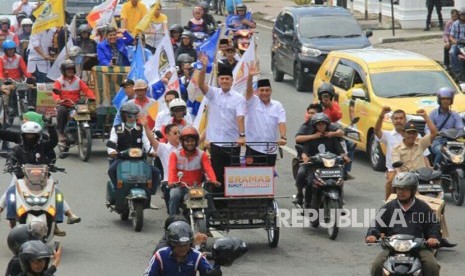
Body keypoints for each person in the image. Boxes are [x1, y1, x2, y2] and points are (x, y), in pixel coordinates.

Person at [3, 121, 81, 235]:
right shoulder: (17, 149)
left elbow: (54, 141)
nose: (30, 138)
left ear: (38, 136)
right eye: (27, 135)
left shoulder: (43, 146)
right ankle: (12, 220)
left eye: (33, 135)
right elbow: (11, 158)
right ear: (23, 136)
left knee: (57, 193)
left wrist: (50, 126)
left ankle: (59, 221)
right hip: (22, 179)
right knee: (10, 193)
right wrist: (10, 165)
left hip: (42, 179)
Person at [366, 172, 441, 276]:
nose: (401, 192)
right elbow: (376, 224)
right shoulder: (389, 207)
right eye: (399, 189)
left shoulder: (423, 207)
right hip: (392, 248)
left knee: (432, 266)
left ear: (413, 190)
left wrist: (433, 237)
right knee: (376, 265)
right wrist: (372, 235)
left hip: (417, 248)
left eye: (405, 189)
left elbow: (433, 225)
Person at [197, 52, 246, 186]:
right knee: (216, 176)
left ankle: (231, 203)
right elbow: (201, 84)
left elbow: (240, 117)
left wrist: (242, 136)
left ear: (232, 80)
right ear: (219, 80)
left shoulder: (238, 98)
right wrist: (203, 68)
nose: (224, 81)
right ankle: (218, 205)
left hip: (232, 144)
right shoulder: (213, 93)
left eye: (227, 79)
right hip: (216, 144)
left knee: (232, 177)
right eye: (222, 78)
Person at [375, 107, 431, 200]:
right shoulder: (388, 135)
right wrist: (381, 115)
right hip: (394, 169)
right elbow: (377, 131)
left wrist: (428, 167)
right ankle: (388, 204)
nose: (398, 121)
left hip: (415, 169)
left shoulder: (416, 136)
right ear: (392, 120)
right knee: (391, 181)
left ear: (406, 120)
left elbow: (423, 154)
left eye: (401, 118)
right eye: (396, 119)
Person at [107, 102, 160, 197]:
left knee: (155, 172)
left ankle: (149, 192)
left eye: (134, 116)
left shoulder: (141, 128)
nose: (132, 119)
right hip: (122, 158)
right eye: (129, 116)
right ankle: (117, 191)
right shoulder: (116, 129)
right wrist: (112, 152)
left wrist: (152, 152)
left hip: (139, 159)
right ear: (124, 117)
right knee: (111, 170)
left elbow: (147, 144)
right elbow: (112, 143)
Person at [294, 113, 347, 207]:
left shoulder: (332, 138)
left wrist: (344, 156)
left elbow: (340, 151)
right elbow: (304, 151)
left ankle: (340, 201)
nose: (321, 126)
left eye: (323, 124)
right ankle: (306, 202)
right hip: (314, 167)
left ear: (327, 125)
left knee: (340, 179)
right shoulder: (310, 137)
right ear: (315, 125)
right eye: (319, 124)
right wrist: (305, 157)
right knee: (310, 182)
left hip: (330, 167)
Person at [167, 126, 219, 216]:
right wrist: (171, 182)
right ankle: (173, 219)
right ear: (182, 142)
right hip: (180, 187)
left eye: (192, 141)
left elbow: (208, 168)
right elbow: (171, 170)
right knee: (174, 195)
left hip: (196, 188)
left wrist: (214, 180)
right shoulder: (175, 154)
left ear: (196, 142)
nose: (190, 143)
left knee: (207, 195)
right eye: (187, 141)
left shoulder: (202, 154)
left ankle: (209, 220)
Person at [245, 64, 286, 166]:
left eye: (267, 90)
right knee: (251, 178)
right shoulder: (252, 101)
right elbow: (248, 91)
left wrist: (283, 137)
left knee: (268, 179)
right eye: (262, 90)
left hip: (271, 149)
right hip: (253, 147)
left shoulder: (277, 105)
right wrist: (250, 77)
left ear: (271, 91)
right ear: (257, 92)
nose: (264, 93)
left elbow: (281, 122)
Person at [144, 221, 212, 276]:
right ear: (171, 244)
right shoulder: (160, 255)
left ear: (190, 243)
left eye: (186, 245)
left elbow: (208, 272)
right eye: (179, 245)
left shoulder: (198, 257)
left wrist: (214, 272)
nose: (183, 248)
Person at [52, 60, 95, 143]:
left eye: (71, 69)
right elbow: (55, 93)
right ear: (63, 71)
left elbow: (86, 90)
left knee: (91, 111)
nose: (70, 71)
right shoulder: (59, 81)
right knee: (61, 111)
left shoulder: (78, 80)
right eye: (68, 69)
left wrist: (92, 97)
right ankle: (60, 132)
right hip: (64, 104)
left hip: (76, 104)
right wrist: (58, 99)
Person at [144, 122, 182, 210]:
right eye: (175, 133)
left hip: (185, 182)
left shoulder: (185, 147)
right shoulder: (163, 148)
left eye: (179, 133)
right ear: (167, 136)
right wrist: (146, 126)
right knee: (173, 211)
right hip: (169, 183)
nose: (178, 135)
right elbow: (152, 139)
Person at [426, 87, 464, 166]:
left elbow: (460, 128)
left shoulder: (454, 115)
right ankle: (435, 172)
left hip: (453, 141)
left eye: (448, 99)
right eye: (443, 99)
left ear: (451, 100)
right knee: (441, 152)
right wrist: (432, 136)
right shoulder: (433, 114)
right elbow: (427, 128)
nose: (445, 101)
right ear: (439, 100)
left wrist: (459, 133)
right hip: (437, 141)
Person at [448, 8, 465, 80]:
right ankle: (457, 72)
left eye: (464, 15)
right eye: (461, 15)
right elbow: (451, 37)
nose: (463, 16)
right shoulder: (455, 24)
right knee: (452, 52)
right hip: (458, 44)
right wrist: (455, 41)